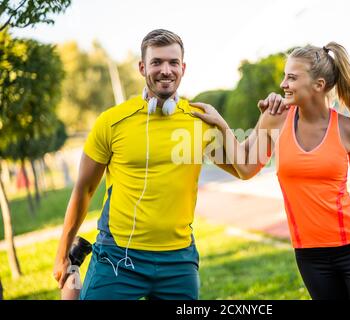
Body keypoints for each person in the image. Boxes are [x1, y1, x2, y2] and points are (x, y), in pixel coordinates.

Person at [192, 42, 350, 300]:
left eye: (291, 77)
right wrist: (218, 127)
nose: (283, 84)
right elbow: (245, 167)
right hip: (310, 256)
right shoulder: (275, 118)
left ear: (318, 85)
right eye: (284, 76)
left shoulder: (349, 130)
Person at [53, 29, 244, 300]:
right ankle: (73, 267)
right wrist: (61, 253)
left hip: (178, 261)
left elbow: (245, 167)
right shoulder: (112, 121)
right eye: (156, 62)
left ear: (183, 68)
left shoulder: (200, 121)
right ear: (142, 67)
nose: (165, 70)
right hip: (118, 257)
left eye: (173, 62)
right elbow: (84, 189)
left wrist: (269, 120)